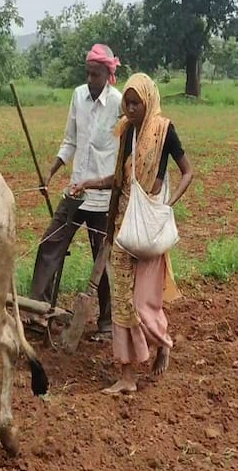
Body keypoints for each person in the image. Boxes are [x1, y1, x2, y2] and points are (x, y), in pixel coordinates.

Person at [69, 72, 194, 394]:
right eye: (127, 102)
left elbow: (187, 171)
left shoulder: (164, 131)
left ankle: (162, 341)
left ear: (149, 101)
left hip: (149, 228)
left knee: (142, 303)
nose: (130, 108)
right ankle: (127, 376)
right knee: (123, 301)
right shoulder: (126, 133)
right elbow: (121, 179)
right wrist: (89, 183)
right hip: (124, 228)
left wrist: (167, 204)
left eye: (136, 102)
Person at [30, 43, 123, 336]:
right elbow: (70, 140)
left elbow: (123, 154)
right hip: (75, 192)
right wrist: (52, 170)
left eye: (95, 74)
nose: (90, 79)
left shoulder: (119, 103)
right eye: (88, 73)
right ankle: (37, 311)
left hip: (103, 197)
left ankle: (107, 324)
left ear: (108, 75)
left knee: (103, 261)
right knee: (49, 244)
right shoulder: (78, 96)